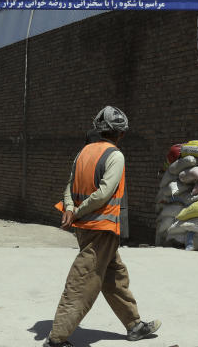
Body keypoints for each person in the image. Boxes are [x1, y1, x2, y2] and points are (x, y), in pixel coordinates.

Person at [45, 106, 161, 347]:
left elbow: (69, 186)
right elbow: (104, 193)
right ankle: (56, 339)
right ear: (121, 134)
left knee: (114, 276)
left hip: (85, 228)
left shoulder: (83, 153)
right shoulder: (115, 155)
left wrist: (70, 209)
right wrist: (75, 210)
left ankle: (134, 325)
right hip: (101, 228)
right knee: (82, 281)